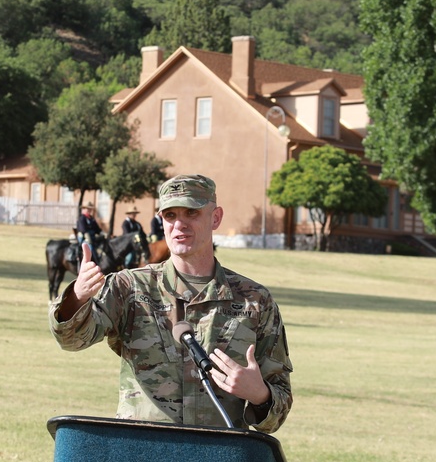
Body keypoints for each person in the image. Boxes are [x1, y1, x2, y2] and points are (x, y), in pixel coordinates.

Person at [49, 174, 292, 432]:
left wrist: (260, 395)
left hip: (219, 459)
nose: (180, 225)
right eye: (170, 216)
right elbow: (71, 340)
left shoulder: (255, 300)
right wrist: (77, 296)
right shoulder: (130, 287)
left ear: (216, 217)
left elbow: (279, 407)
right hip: (143, 452)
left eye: (191, 213)